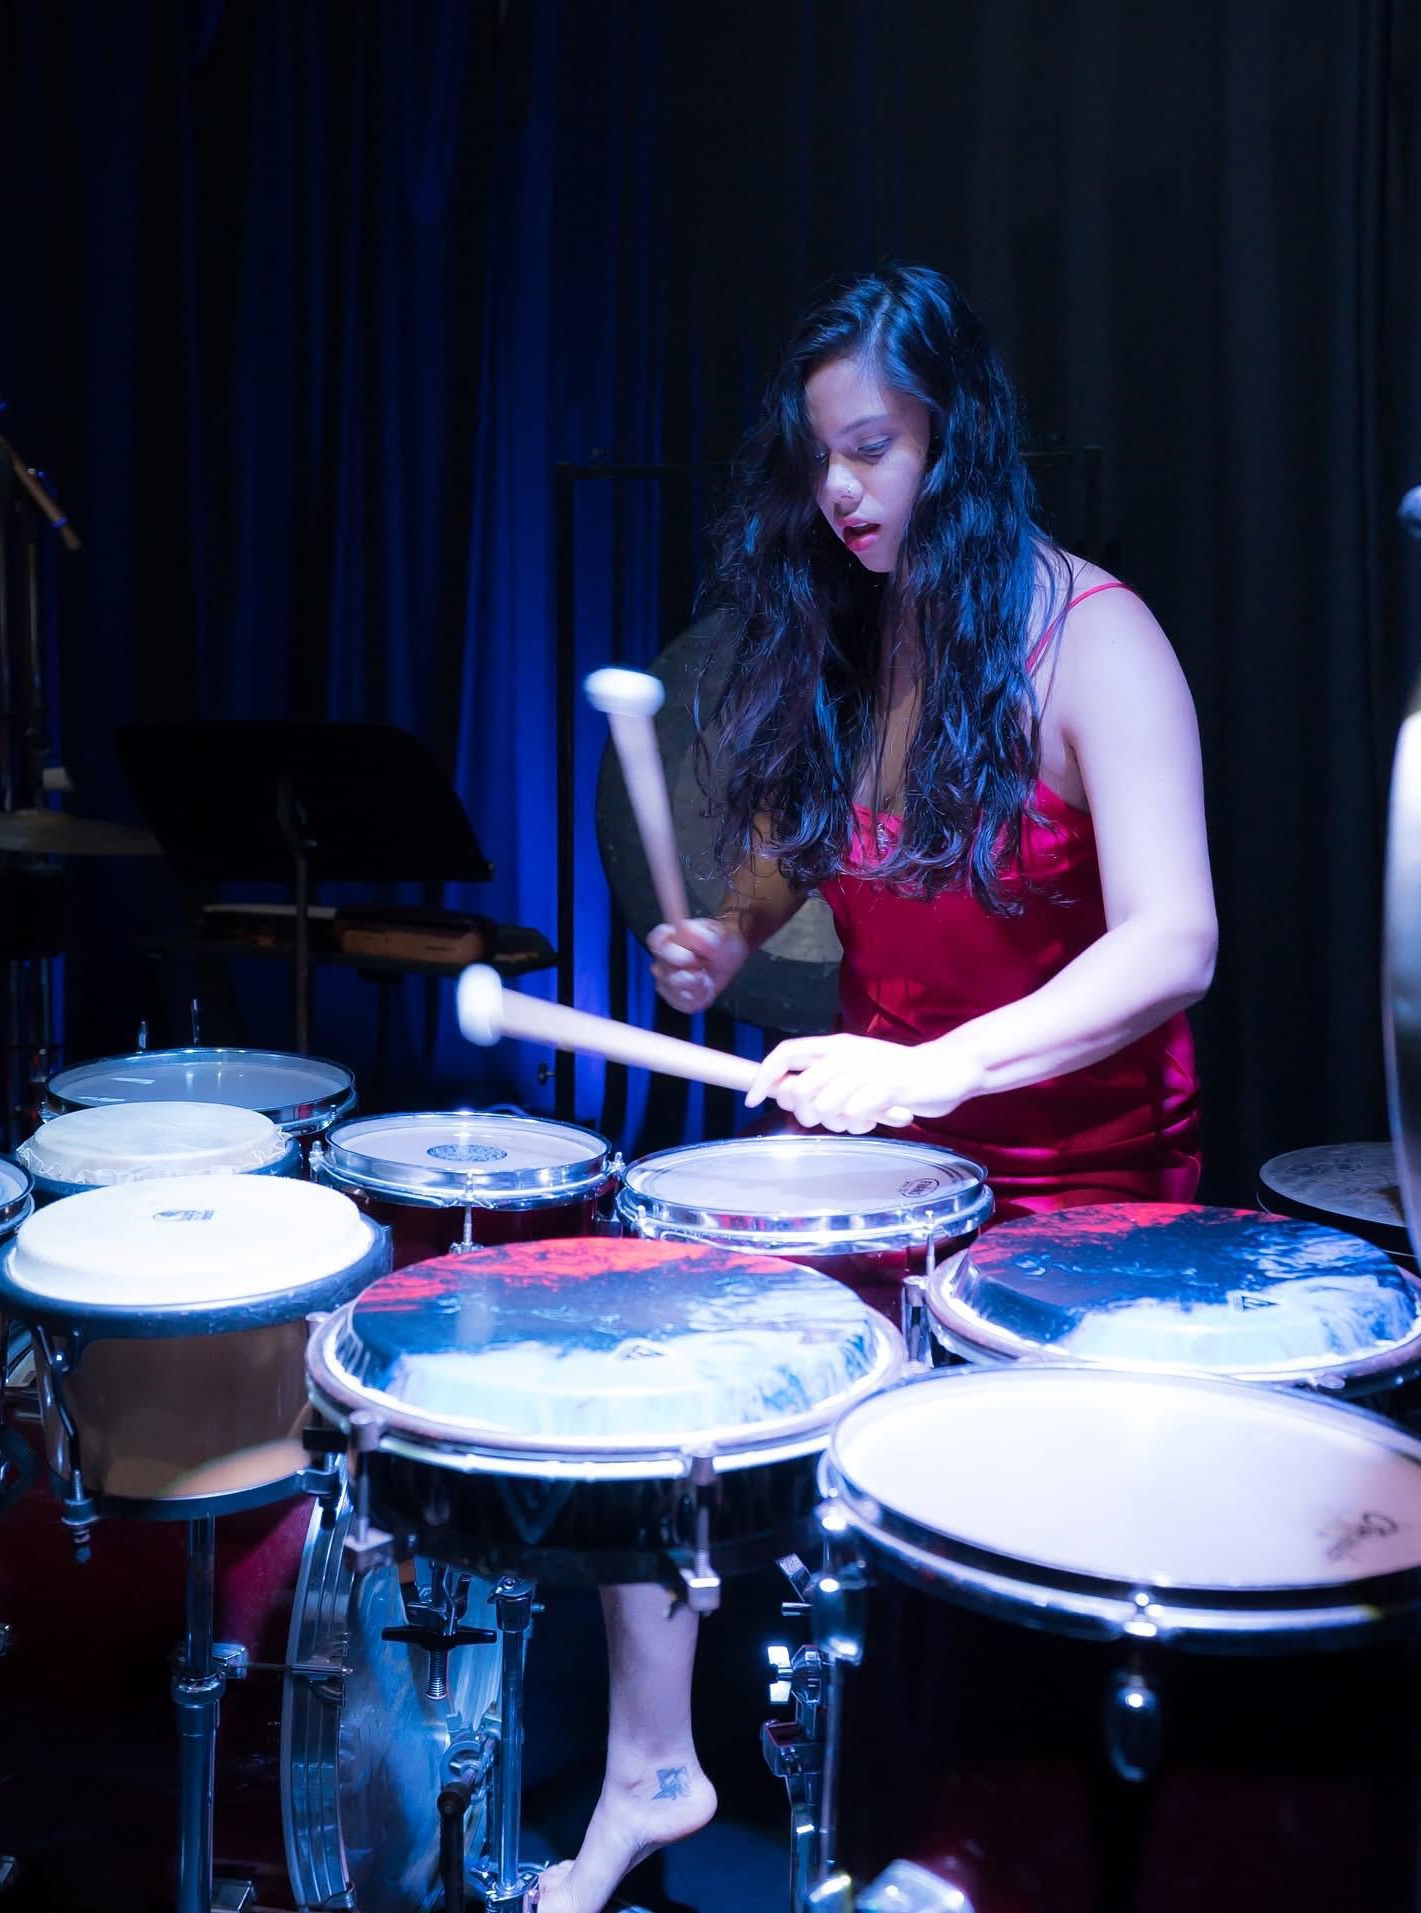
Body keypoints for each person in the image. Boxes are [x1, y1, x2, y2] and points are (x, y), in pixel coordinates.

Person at [538, 265, 1216, 1912]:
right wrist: (719, 938)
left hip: (1070, 1207)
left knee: (948, 1547)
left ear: (955, 440)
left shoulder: (1096, 640)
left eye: (871, 448)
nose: (838, 490)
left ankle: (970, 1842)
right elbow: (796, 868)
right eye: (818, 458)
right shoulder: (859, 647)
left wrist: (928, 1068)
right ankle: (654, 1765)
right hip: (878, 1173)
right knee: (651, 1375)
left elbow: (1177, 939)